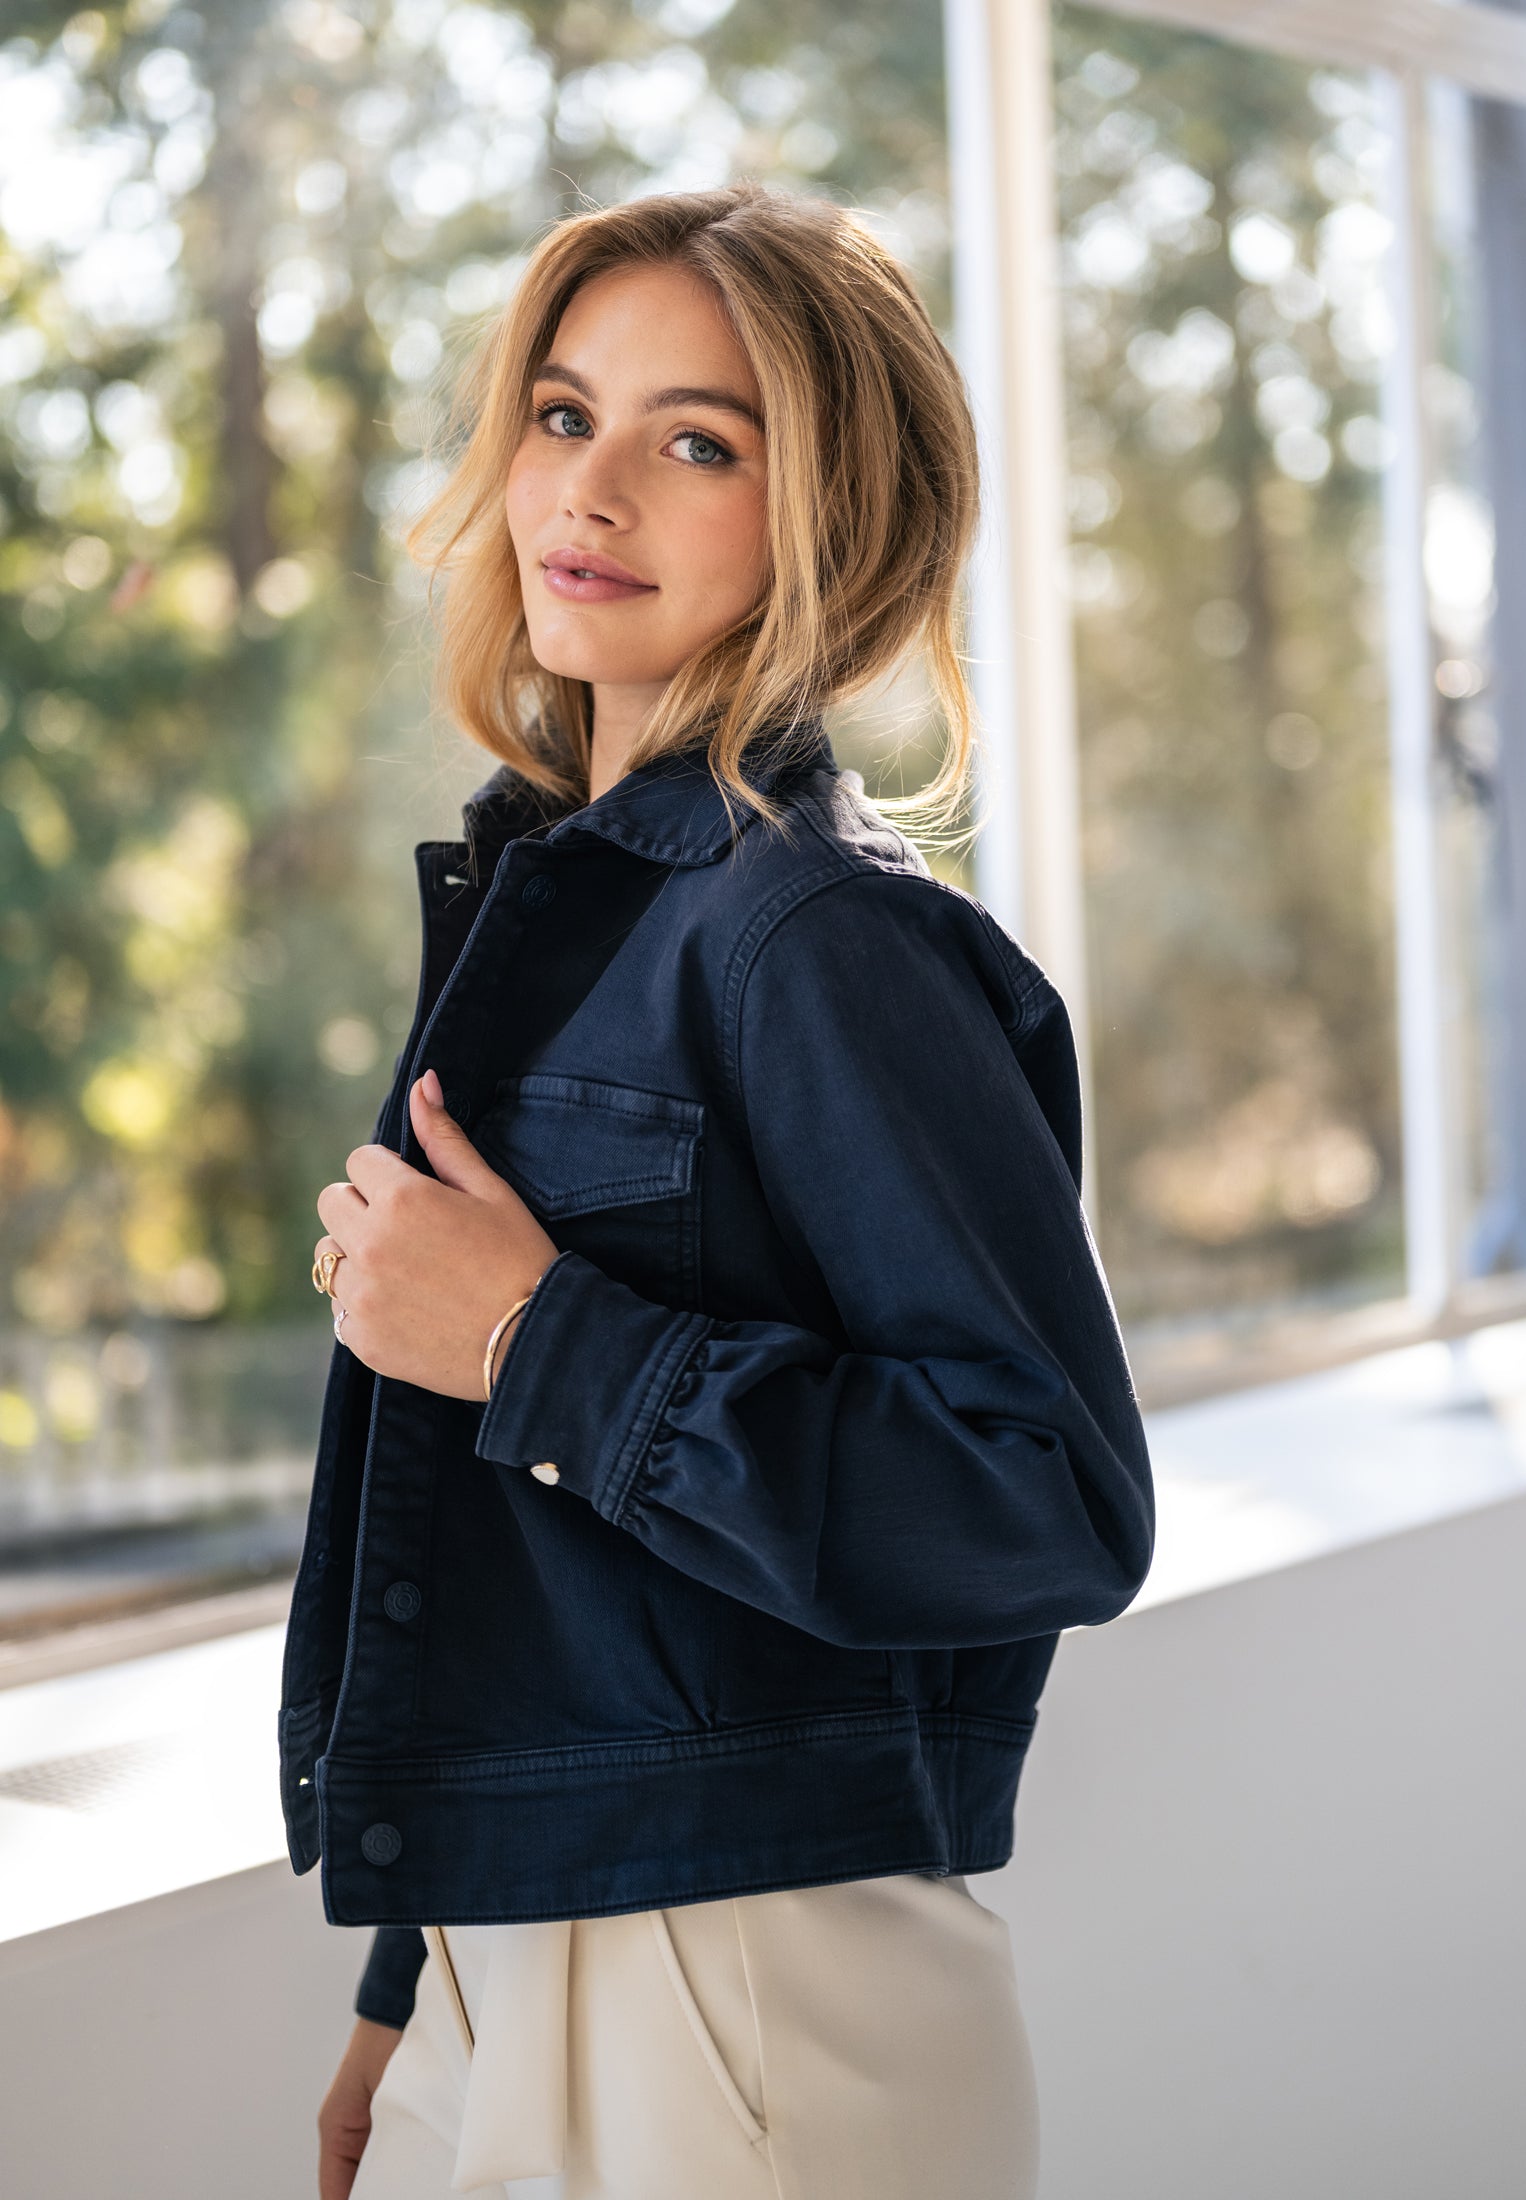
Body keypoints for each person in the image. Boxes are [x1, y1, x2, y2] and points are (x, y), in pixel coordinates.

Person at [292, 180, 1153, 2200]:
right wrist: (421, 1961)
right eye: (564, 413)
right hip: (545, 1943)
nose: (593, 490)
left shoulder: (817, 940)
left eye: (702, 442)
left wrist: (529, 1334)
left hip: (746, 1988)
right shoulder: (553, 905)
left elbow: (1054, 1491)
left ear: (828, 518)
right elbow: (528, 1567)